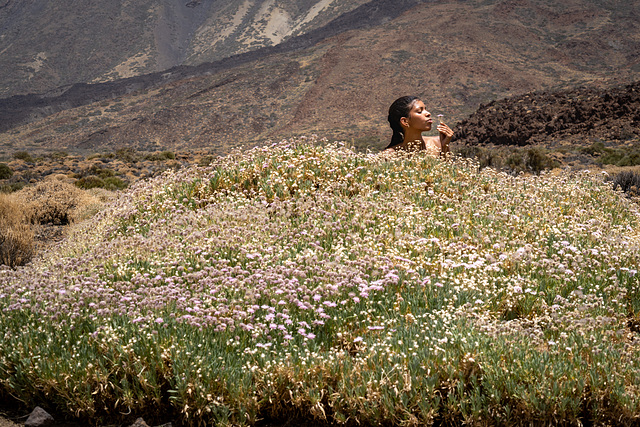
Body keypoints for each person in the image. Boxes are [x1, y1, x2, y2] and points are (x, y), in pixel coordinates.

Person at [385, 96, 454, 156]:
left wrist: (445, 147)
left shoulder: (437, 143)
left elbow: (447, 170)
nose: (428, 113)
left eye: (425, 109)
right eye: (419, 111)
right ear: (405, 121)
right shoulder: (389, 155)